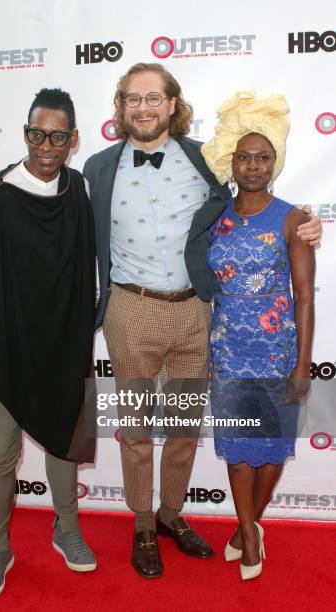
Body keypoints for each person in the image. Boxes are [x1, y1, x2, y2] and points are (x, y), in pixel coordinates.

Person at [83, 63, 321, 578]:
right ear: (121, 107)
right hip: (129, 308)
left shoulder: (204, 162)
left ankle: (172, 515)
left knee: (185, 428)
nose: (142, 108)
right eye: (131, 99)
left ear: (172, 104)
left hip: (196, 312)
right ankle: (144, 523)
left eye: (153, 98)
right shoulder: (97, 169)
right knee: (136, 429)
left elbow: (252, 201)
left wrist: (308, 218)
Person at [0, 88, 97, 601]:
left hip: (63, 348)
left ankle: (66, 528)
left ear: (72, 140)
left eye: (57, 135)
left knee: (64, 445)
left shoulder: (81, 190)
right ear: (25, 133)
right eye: (37, 133)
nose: (45, 145)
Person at [201, 90, 315, 580]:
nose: (253, 166)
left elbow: (305, 296)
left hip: (276, 355)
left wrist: (302, 363)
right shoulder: (215, 218)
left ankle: (247, 524)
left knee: (270, 452)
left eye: (262, 157)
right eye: (244, 157)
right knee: (238, 448)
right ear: (233, 162)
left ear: (275, 163)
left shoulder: (293, 218)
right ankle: (249, 535)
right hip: (227, 353)